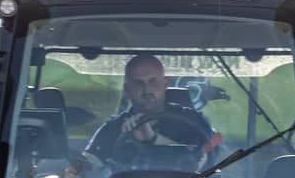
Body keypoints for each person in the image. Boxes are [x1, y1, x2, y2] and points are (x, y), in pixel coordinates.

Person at [81, 54, 222, 170]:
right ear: (127, 89)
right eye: (138, 83)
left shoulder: (194, 124)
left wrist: (154, 140)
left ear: (165, 83)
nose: (147, 90)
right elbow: (85, 172)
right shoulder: (112, 129)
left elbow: (204, 163)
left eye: (153, 81)